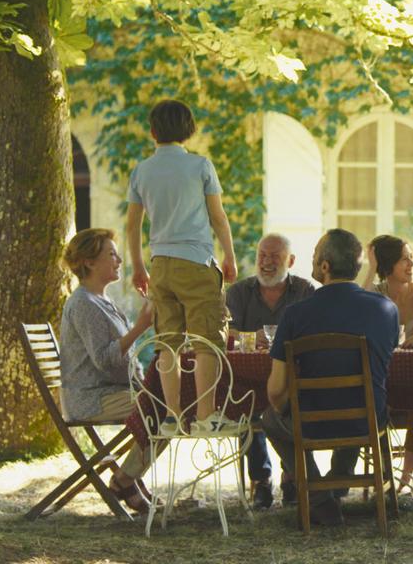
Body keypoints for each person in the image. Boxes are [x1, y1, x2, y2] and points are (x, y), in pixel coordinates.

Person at [260, 229, 399, 526]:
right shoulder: (386, 309)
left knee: (270, 419)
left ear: (325, 266)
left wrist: (285, 407)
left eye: (313, 257)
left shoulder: (295, 314)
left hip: (313, 420)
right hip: (368, 419)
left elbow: (275, 391)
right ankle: (335, 489)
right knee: (359, 401)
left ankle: (321, 499)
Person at [125, 99, 238, 437]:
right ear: (189, 130)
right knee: (207, 341)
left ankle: (172, 417)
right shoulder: (201, 166)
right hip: (196, 261)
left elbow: (132, 225)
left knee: (167, 342)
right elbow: (218, 217)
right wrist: (229, 255)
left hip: (160, 264)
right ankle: (206, 416)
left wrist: (138, 267)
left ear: (152, 131)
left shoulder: (142, 171)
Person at [59, 228, 156, 513]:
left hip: (114, 391)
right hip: (92, 398)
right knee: (163, 410)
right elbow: (104, 359)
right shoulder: (84, 304)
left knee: (167, 404)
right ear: (89, 262)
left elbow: (124, 355)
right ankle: (125, 481)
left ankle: (129, 480)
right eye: (111, 254)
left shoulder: (103, 301)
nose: (119, 260)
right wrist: (140, 326)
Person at [225, 233, 315, 509]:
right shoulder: (238, 292)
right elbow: (224, 330)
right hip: (249, 378)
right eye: (262, 255)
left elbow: (313, 330)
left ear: (290, 260)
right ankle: (261, 480)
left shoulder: (304, 291)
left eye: (274, 257)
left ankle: (291, 475)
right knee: (246, 403)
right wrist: (250, 336)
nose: (266, 262)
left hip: (293, 376)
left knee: (296, 405)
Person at [362, 235, 413, 495]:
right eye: (404, 259)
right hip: (384, 380)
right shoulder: (377, 295)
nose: (410, 264)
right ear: (388, 263)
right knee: (375, 404)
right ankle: (384, 477)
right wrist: (371, 267)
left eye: (411, 258)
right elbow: (358, 302)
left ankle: (404, 480)